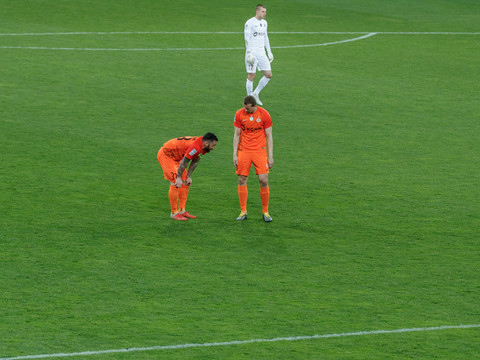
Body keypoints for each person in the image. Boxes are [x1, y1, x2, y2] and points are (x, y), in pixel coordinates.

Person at [157, 133, 218, 221]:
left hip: (178, 158)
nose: (213, 148)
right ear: (206, 143)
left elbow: (195, 161)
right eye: (213, 145)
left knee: (185, 182)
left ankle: (182, 211)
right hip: (167, 155)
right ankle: (174, 213)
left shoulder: (204, 149)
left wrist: (188, 176)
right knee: (175, 182)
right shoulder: (195, 147)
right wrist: (178, 177)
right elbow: (185, 161)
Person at [233, 95, 273, 222]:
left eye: (248, 109)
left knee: (263, 180)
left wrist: (270, 156)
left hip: (259, 151)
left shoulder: (264, 114)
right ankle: (243, 211)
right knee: (242, 179)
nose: (246, 111)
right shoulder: (239, 114)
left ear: (255, 106)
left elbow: (269, 136)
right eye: (245, 108)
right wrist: (234, 154)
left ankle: (265, 212)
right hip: (244, 150)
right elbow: (236, 134)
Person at [244, 4, 273, 106]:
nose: (265, 13)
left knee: (268, 74)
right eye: (263, 11)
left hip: (262, 53)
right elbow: (246, 37)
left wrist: (269, 51)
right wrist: (249, 52)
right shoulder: (250, 23)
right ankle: (249, 100)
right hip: (252, 53)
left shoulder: (265, 23)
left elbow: (266, 38)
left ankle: (255, 93)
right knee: (252, 75)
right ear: (257, 11)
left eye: (265, 12)